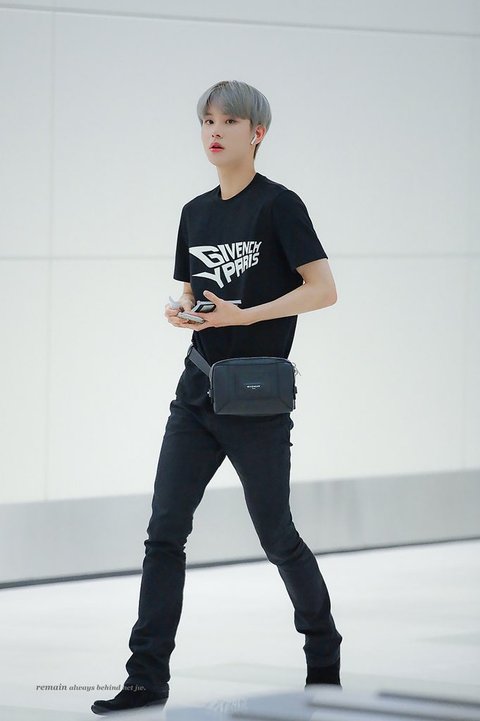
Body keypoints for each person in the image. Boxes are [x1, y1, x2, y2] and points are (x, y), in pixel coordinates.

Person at [91, 79, 343, 715]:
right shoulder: (195, 212)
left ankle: (324, 656)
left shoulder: (279, 206)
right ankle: (146, 677)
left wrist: (245, 315)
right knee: (163, 533)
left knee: (277, 536)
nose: (215, 131)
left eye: (229, 121)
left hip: (256, 398)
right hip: (197, 392)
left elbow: (323, 290)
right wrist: (182, 311)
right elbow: (192, 290)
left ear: (257, 133)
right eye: (208, 120)